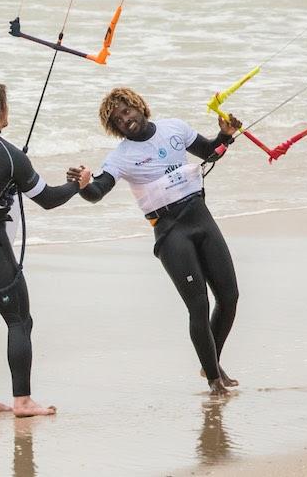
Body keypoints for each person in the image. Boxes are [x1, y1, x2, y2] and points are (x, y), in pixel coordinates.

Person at [72, 87, 241, 395]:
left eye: (127, 112)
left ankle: (210, 362)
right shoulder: (120, 157)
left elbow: (208, 151)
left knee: (229, 298)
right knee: (199, 306)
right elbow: (98, 191)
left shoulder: (174, 128)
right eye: (117, 120)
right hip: (170, 232)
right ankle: (215, 380)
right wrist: (84, 186)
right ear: (114, 128)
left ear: (139, 106)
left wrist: (225, 135)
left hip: (201, 218)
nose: (125, 120)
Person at [0, 79, 90, 417]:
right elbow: (49, 199)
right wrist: (76, 185)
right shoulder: (10, 157)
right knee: (19, 320)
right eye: (5, 104)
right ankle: (22, 401)